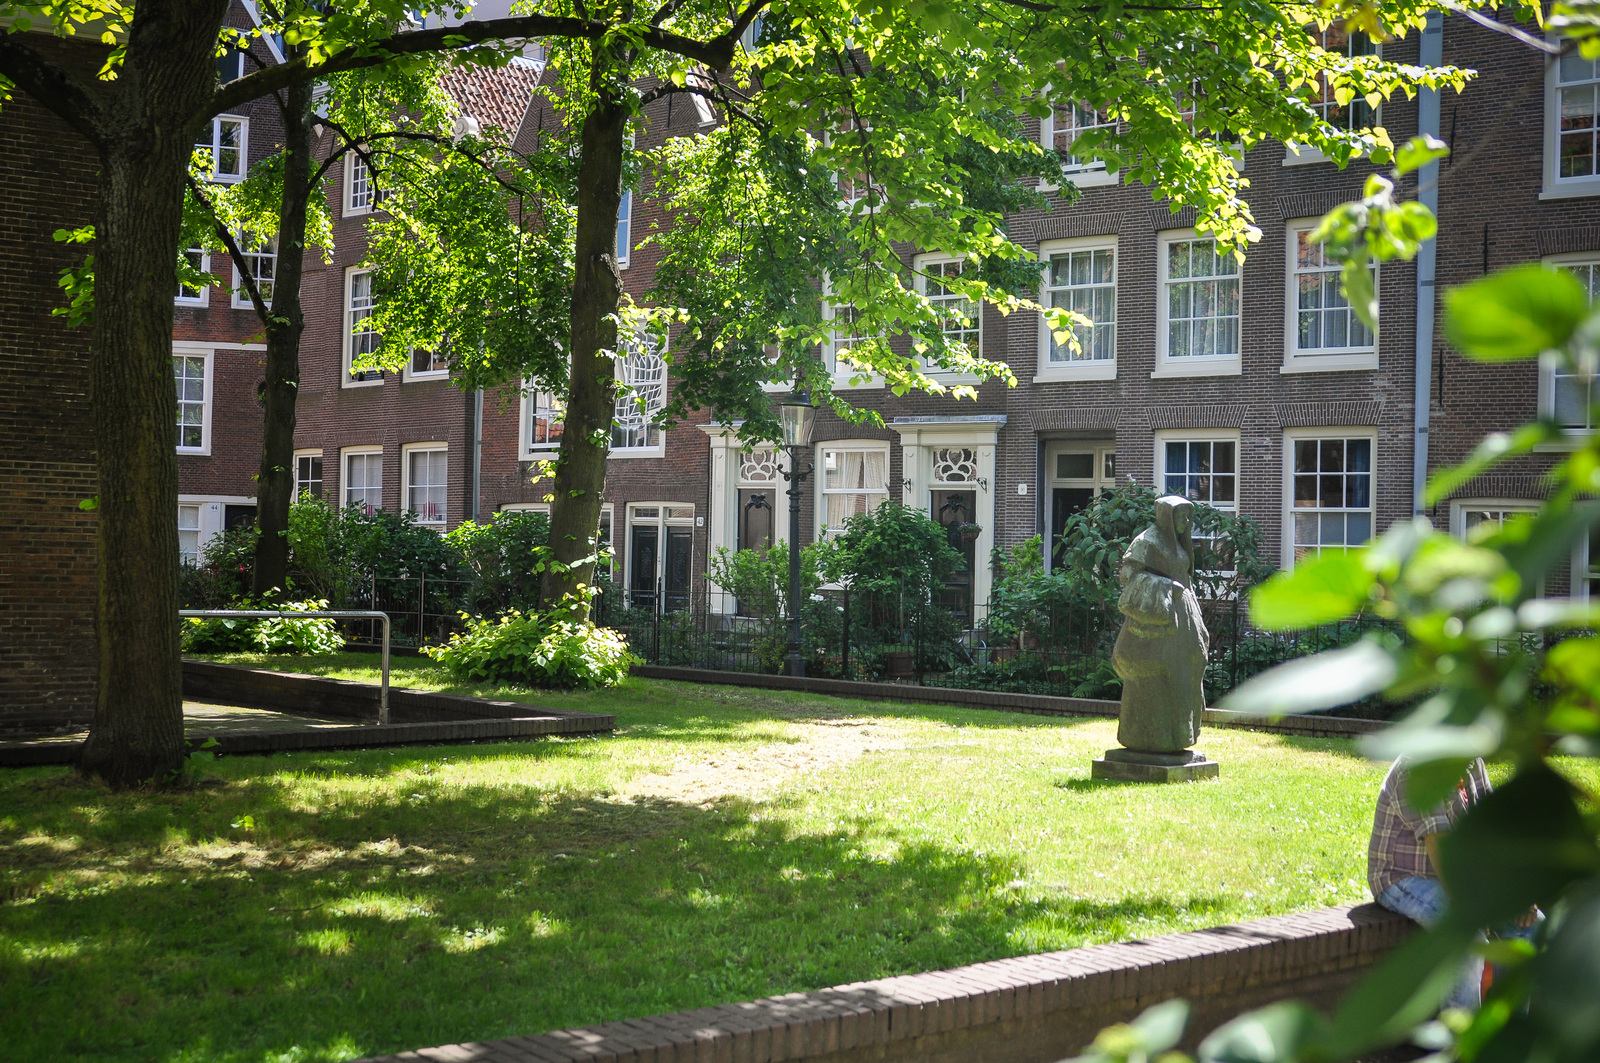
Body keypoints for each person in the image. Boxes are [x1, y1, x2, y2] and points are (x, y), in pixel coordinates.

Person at [1368, 757, 1540, 1010]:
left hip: (1457, 876)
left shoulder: (1472, 762)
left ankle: (1509, 1038)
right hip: (1401, 878)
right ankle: (1461, 1043)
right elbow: (1440, 845)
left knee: (1530, 928)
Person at [1110, 495, 1209, 753]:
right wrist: (1165, 587)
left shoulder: (1178, 544)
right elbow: (1128, 576)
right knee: (1153, 678)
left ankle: (1179, 736)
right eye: (1181, 516)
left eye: (1188, 516)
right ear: (1166, 515)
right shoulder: (1147, 541)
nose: (1186, 521)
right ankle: (1147, 737)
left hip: (1184, 620)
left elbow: (1185, 578)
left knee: (1185, 672)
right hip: (1155, 626)